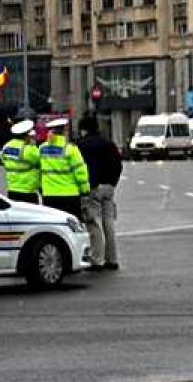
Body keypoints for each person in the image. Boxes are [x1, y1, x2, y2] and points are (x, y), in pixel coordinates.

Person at [77, 116, 123, 271]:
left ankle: (98, 259)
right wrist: (112, 183)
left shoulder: (81, 145)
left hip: (92, 188)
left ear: (84, 129)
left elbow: (80, 168)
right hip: (109, 187)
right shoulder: (108, 143)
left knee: (93, 224)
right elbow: (118, 164)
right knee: (108, 223)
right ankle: (112, 259)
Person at [38, 117, 91, 219]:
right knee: (71, 227)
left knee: (53, 226)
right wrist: (85, 191)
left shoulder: (42, 149)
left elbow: (40, 171)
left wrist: (42, 188)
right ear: (64, 131)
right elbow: (80, 172)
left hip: (49, 195)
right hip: (69, 195)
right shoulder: (70, 149)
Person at [1, 120, 42, 203]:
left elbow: (3, 161)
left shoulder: (6, 146)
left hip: (12, 189)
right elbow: (43, 162)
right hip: (28, 191)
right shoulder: (29, 149)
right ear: (27, 135)